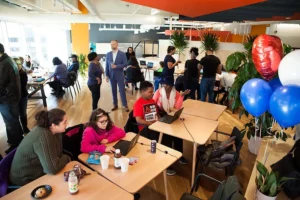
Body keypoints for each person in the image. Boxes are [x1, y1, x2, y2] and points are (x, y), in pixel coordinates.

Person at [133, 81, 187, 175]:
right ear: (142, 92)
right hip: (146, 129)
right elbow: (139, 120)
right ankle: (166, 166)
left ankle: (178, 155)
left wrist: (161, 119)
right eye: (150, 92)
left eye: (152, 91)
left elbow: (156, 113)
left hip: (156, 125)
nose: (152, 93)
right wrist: (151, 124)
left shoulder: (152, 101)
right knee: (166, 139)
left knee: (176, 134)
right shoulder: (138, 104)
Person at [9, 109, 70, 186]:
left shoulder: (55, 131)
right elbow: (52, 169)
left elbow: (58, 154)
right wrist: (67, 157)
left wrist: (61, 159)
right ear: (53, 125)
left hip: (41, 169)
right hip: (25, 180)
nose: (67, 124)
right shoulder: (44, 136)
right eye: (64, 122)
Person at [0, 43, 24, 154]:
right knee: (14, 120)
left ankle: (15, 146)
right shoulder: (9, 60)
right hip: (13, 97)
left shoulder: (4, 64)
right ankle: (18, 140)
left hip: (7, 99)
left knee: (10, 122)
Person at [105, 40, 129, 112]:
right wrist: (106, 75)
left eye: (114, 44)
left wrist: (116, 66)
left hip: (120, 75)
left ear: (117, 44)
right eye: (111, 44)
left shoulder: (122, 54)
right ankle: (115, 104)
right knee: (113, 90)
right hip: (111, 75)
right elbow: (106, 65)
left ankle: (125, 105)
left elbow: (125, 64)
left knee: (122, 90)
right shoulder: (108, 54)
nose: (112, 45)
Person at [13, 57, 30, 133]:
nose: (18, 65)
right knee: (15, 114)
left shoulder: (23, 73)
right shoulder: (10, 74)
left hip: (23, 96)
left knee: (23, 113)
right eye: (16, 64)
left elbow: (23, 84)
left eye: (19, 64)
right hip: (13, 97)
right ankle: (18, 130)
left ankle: (25, 127)